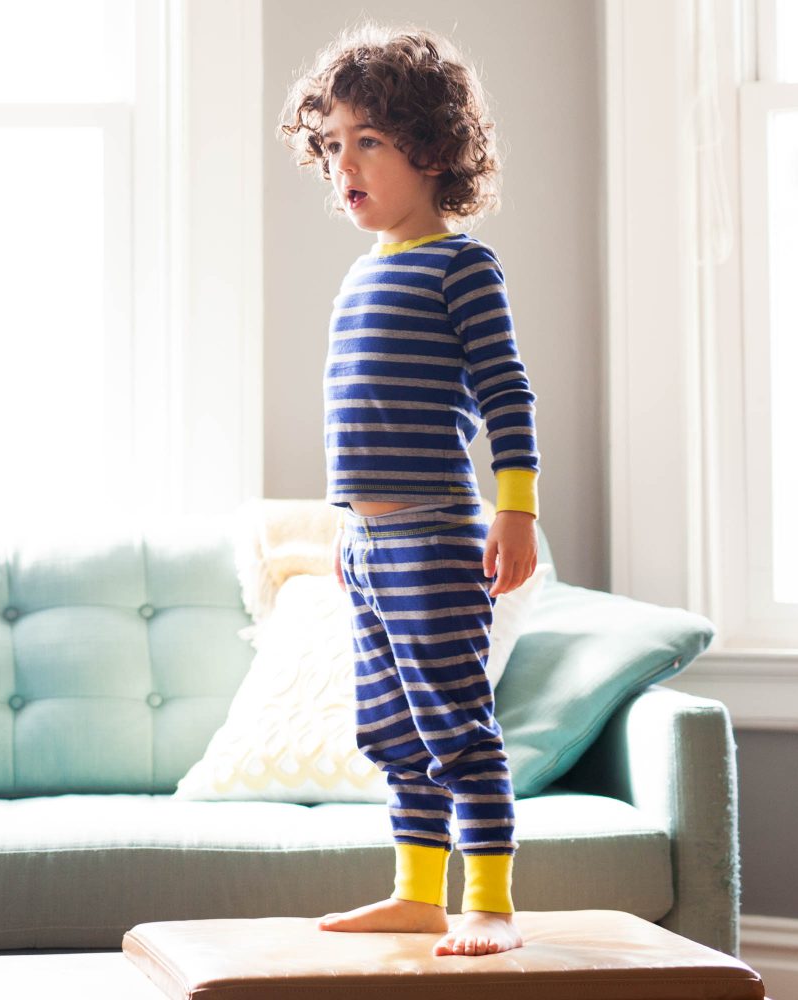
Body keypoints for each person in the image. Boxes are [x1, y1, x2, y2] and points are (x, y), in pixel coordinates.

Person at [279, 22, 541, 957]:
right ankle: (417, 892)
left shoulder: (460, 264)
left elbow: (506, 390)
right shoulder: (362, 273)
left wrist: (517, 507)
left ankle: (490, 906)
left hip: (435, 535)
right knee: (391, 727)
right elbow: (361, 417)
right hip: (371, 545)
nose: (345, 163)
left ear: (431, 152)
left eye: (370, 142)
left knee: (455, 725)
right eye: (334, 145)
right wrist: (343, 537)